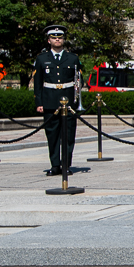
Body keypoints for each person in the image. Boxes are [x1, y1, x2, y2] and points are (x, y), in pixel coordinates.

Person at [33, 24, 81, 177]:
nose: (57, 40)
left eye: (60, 37)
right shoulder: (42, 59)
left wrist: (77, 101)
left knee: (68, 135)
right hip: (50, 101)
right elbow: (38, 83)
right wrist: (39, 103)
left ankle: (66, 165)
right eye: (54, 38)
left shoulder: (73, 58)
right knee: (52, 135)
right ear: (49, 40)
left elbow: (79, 81)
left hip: (68, 103)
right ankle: (55, 165)